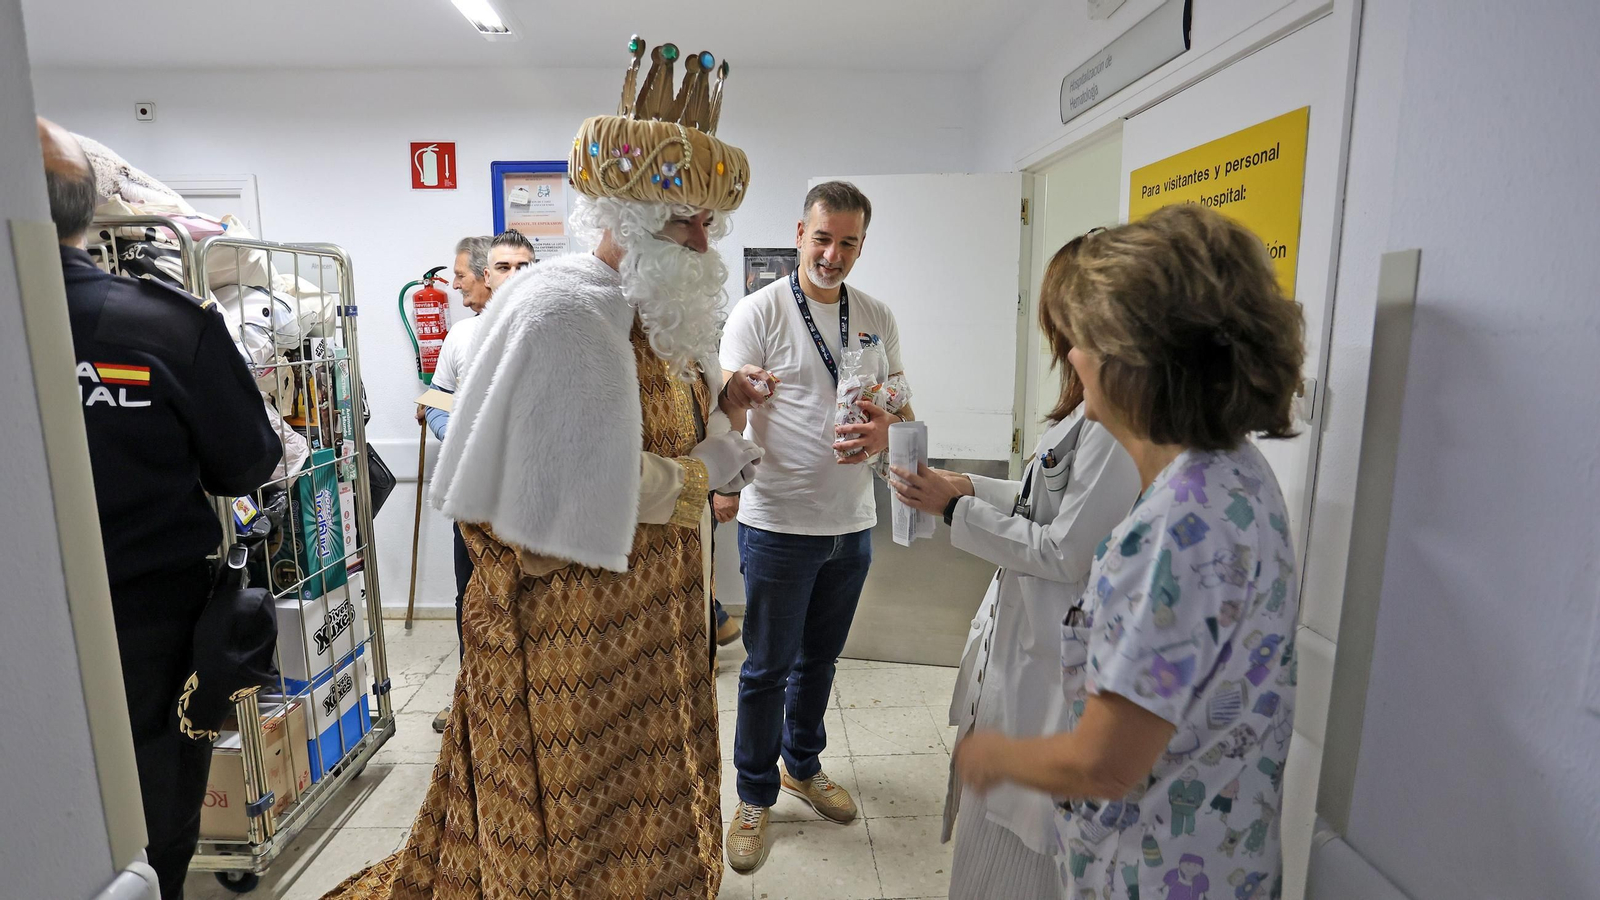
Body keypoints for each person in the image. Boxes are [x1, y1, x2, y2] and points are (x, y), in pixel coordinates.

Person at [319, 39, 759, 899]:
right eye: (687, 223)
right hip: (570, 632)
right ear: (629, 216)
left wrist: (724, 403)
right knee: (580, 821)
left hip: (656, 615)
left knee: (653, 791)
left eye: (710, 222)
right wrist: (708, 469)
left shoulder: (660, 314)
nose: (705, 242)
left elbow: (672, 423)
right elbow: (583, 486)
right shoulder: (564, 310)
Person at [949, 204, 1305, 900]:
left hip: (1157, 873)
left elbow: (1106, 765)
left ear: (1137, 364)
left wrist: (996, 754)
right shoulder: (1234, 475)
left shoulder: (1181, 526)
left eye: (1086, 340)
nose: (1074, 358)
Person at [39, 117, 281, 900]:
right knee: (151, 822)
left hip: (43, 630)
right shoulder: (162, 327)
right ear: (89, 211)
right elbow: (246, 461)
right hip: (147, 628)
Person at [889, 234, 1140, 898]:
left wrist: (952, 512)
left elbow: (1064, 551)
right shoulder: (1088, 409)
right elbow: (1040, 504)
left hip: (1052, 660)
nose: (1060, 332)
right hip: (1024, 645)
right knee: (990, 834)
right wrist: (965, 488)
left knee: (1019, 846)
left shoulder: (1118, 425)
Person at [716, 180, 910, 873]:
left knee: (820, 661)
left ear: (862, 244)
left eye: (848, 242)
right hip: (777, 523)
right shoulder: (759, 312)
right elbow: (728, 410)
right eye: (822, 238)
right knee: (766, 668)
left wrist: (887, 422)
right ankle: (752, 793)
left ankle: (802, 764)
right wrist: (742, 396)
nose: (832, 254)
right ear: (800, 233)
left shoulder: (875, 314)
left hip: (852, 523)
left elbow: (900, 396)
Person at [413, 234, 491, 733]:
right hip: (469, 487)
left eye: (461, 275)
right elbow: (434, 399)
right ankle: (470, 695)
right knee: (469, 593)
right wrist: (453, 433)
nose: (456, 283)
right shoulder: (461, 336)